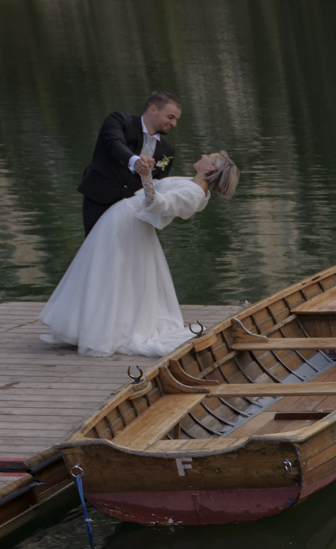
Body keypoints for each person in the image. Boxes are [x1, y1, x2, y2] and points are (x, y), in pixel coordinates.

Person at [41, 152, 241, 357]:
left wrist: (146, 176)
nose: (203, 155)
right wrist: (148, 171)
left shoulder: (195, 192)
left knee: (111, 273)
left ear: (210, 169)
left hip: (128, 223)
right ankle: (90, 327)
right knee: (111, 273)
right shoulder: (192, 185)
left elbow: (157, 203)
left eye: (209, 156)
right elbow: (158, 194)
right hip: (128, 221)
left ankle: (98, 329)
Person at [78, 92, 181, 235]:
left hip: (132, 208)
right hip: (99, 196)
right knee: (95, 246)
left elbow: (160, 183)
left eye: (176, 119)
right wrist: (136, 161)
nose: (174, 123)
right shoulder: (119, 121)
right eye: (170, 117)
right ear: (153, 110)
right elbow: (115, 144)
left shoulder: (167, 151)